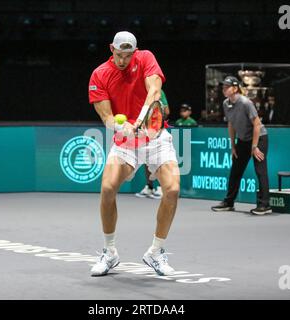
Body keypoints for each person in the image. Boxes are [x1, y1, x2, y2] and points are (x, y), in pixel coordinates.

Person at [88, 31, 180, 276]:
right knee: (108, 188)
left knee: (172, 189)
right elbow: (106, 117)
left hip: (155, 136)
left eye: (128, 55)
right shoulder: (100, 74)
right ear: (111, 49)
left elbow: (154, 91)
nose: (123, 60)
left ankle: (155, 252)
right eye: (119, 55)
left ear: (134, 52)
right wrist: (122, 126)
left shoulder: (146, 58)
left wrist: (141, 119)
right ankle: (110, 253)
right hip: (126, 141)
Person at [211, 76, 271, 215]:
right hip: (243, 141)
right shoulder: (226, 104)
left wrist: (254, 147)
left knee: (260, 171)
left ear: (235, 88)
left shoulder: (245, 103)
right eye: (223, 87)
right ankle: (229, 202)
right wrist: (233, 146)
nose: (224, 89)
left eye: (227, 87)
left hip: (259, 138)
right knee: (235, 170)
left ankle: (265, 205)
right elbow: (231, 124)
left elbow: (257, 124)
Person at [135, 89, 170, 200]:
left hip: (156, 129)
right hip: (144, 130)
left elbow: (167, 111)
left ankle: (161, 187)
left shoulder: (158, 91)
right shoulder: (137, 90)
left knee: (159, 159)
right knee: (147, 159)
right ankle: (149, 187)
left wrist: (154, 115)